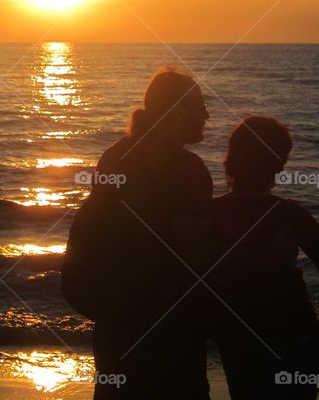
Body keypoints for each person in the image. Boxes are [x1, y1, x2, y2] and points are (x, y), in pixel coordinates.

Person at [62, 68, 213, 398]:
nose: (206, 115)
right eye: (199, 106)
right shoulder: (189, 169)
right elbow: (196, 253)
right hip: (171, 326)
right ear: (175, 112)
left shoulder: (116, 155)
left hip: (116, 319)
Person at [208, 117, 319, 399]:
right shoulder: (291, 214)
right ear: (278, 165)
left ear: (232, 159)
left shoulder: (210, 214)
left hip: (239, 338)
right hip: (295, 334)